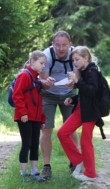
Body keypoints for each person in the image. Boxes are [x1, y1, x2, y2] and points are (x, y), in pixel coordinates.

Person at [57, 46, 102, 181]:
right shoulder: (84, 71)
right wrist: (73, 98)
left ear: (86, 58)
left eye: (77, 59)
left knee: (85, 141)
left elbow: (93, 92)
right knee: (62, 133)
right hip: (81, 109)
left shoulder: (93, 71)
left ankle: (90, 173)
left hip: (91, 112)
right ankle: (79, 160)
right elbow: (84, 93)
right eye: (73, 60)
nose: (74, 62)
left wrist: (77, 82)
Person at [39, 31, 79, 180]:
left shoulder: (75, 54)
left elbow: (79, 77)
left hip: (69, 94)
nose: (61, 48)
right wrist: (47, 83)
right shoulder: (47, 56)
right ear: (53, 44)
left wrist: (74, 81)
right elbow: (43, 83)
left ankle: (75, 162)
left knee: (71, 128)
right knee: (46, 129)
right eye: (58, 45)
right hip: (49, 95)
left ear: (70, 44)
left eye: (64, 45)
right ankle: (46, 166)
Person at [12, 50, 49, 179]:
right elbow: (17, 95)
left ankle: (34, 171)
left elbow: (39, 101)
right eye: (41, 63)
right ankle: (23, 173)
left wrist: (42, 119)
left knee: (34, 144)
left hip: (35, 117)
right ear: (33, 62)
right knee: (26, 143)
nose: (43, 66)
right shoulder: (25, 76)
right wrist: (23, 113)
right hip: (25, 117)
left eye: (44, 63)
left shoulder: (35, 78)